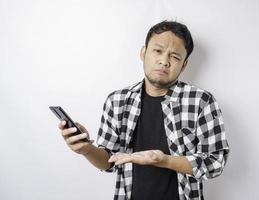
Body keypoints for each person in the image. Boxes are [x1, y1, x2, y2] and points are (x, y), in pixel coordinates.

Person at [58, 20, 230, 200]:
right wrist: (86, 149)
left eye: (175, 56)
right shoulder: (117, 101)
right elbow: (109, 161)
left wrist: (163, 160)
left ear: (184, 65)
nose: (164, 61)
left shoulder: (201, 101)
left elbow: (215, 162)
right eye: (158, 51)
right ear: (143, 53)